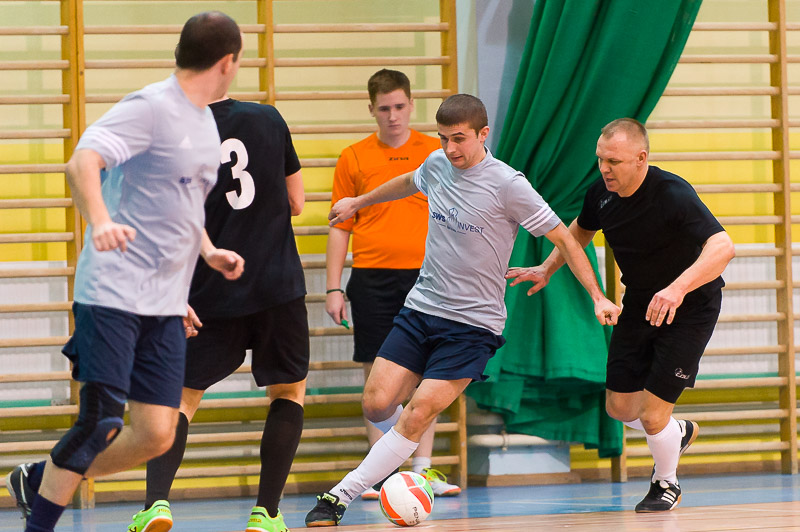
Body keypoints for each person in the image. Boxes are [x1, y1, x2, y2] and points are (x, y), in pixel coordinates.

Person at [304, 94, 621, 527]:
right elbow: (408, 181)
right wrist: (360, 202)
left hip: (473, 326)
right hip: (421, 310)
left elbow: (566, 239)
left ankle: (338, 496)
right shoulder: (437, 164)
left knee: (418, 413)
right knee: (376, 404)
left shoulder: (509, 185)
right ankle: (398, 449)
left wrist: (597, 296)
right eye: (443, 138)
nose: (450, 148)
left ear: (482, 134)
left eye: (459, 139)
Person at [4, 12, 245, 532]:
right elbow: (82, 162)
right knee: (102, 421)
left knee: (157, 433)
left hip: (164, 303)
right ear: (228, 62)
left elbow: (182, 205)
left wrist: (206, 253)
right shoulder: (150, 107)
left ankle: (39, 478)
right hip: (112, 293)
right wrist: (101, 220)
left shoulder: (205, 122)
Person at [506, 118, 735, 513]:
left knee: (652, 415)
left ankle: (665, 483)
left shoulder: (672, 194)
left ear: (641, 158)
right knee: (620, 409)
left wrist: (677, 288)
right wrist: (546, 268)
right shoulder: (601, 194)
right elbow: (578, 234)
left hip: (690, 307)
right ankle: (675, 433)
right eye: (600, 159)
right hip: (640, 304)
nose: (604, 168)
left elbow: (723, 247)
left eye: (613, 161)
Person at [124, 92, 308, 532]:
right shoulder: (268, 119)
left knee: (181, 399)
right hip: (276, 283)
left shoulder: (172, 134)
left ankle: (156, 504)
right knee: (287, 392)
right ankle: (266, 513)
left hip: (209, 289)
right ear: (228, 65)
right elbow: (296, 202)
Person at [325, 69, 460, 499]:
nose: (393, 116)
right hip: (371, 278)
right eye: (384, 108)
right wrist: (333, 287)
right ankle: (379, 472)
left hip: (430, 277)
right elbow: (340, 226)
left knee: (426, 375)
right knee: (376, 374)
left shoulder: (435, 153)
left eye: (400, 106)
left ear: (411, 105)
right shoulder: (354, 157)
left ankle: (422, 469)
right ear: (372, 109)